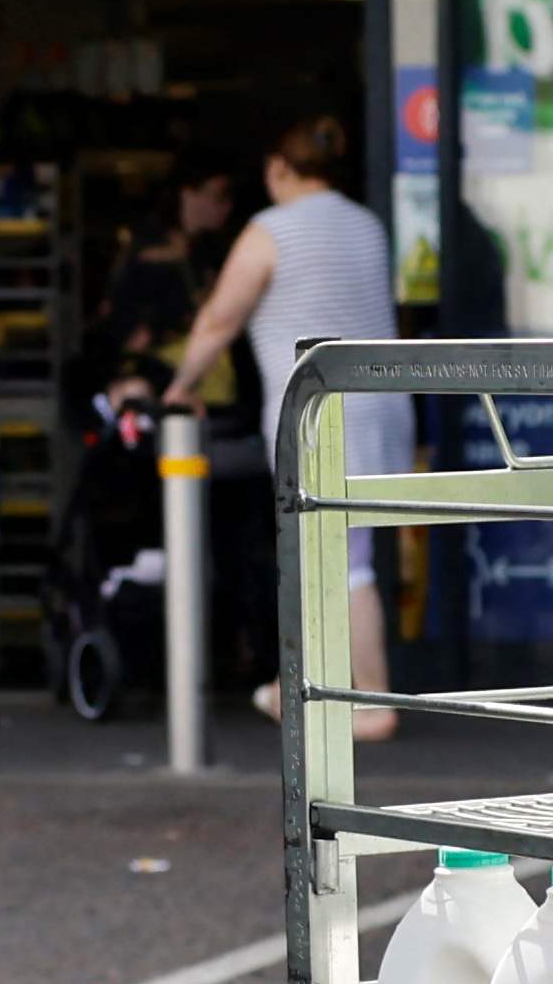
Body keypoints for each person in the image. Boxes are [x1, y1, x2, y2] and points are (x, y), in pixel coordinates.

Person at [148, 112, 397, 742]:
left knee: (344, 560)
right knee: (334, 551)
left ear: (278, 169)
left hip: (319, 412)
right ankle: (326, 691)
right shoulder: (367, 225)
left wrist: (180, 389)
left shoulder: (271, 230)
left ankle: (370, 700)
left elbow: (217, 322)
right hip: (381, 403)